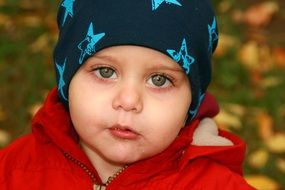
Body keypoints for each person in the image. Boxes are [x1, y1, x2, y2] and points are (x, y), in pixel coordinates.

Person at [0, 0, 255, 189]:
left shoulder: (215, 185)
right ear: (67, 82)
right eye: (105, 71)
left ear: (192, 100)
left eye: (159, 79)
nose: (129, 101)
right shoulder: (14, 171)